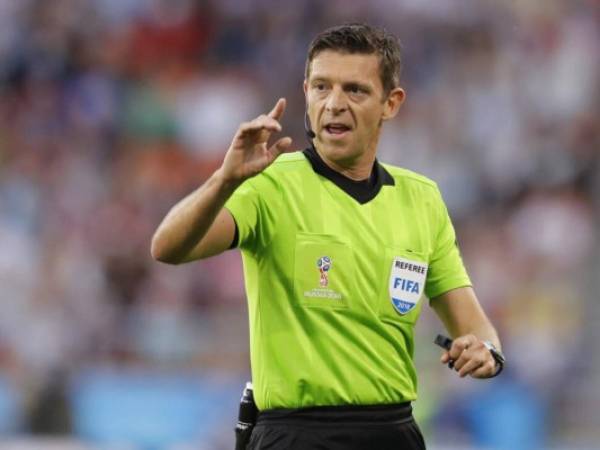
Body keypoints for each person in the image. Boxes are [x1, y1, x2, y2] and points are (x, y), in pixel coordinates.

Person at [151, 23, 504, 450]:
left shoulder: (422, 199)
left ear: (391, 103)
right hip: (295, 434)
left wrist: (486, 352)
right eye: (322, 87)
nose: (334, 104)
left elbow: (476, 328)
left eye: (355, 90)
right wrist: (224, 180)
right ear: (306, 92)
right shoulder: (270, 183)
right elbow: (168, 247)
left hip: (393, 433)